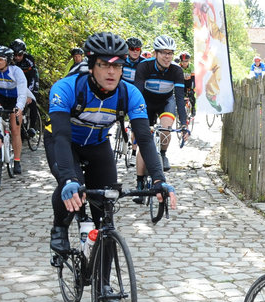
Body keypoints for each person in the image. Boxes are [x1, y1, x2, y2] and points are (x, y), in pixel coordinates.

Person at [46, 32, 177, 256]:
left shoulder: (130, 93)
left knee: (105, 219)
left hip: (98, 144)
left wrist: (159, 179)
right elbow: (61, 137)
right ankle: (59, 227)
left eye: (117, 67)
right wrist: (68, 178)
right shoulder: (66, 88)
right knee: (70, 184)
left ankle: (104, 284)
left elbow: (144, 139)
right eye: (104, 65)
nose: (111, 72)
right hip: (64, 143)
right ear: (91, 66)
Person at [133, 34, 190, 177]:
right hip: (146, 102)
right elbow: (137, 95)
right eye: (164, 53)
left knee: (165, 130)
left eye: (170, 53)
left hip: (166, 102)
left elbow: (178, 99)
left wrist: (183, 124)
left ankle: (163, 154)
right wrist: (135, 122)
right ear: (155, 53)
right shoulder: (144, 66)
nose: (167, 57)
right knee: (144, 144)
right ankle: (140, 183)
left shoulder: (176, 70)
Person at [0, 45, 34, 174]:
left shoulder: (16, 72)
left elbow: (22, 94)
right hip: (0, 96)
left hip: (15, 97)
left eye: (0, 58)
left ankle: (17, 160)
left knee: (15, 128)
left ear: (8, 60)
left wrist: (19, 108)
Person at [10, 39, 40, 136]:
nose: (17, 57)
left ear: (24, 53)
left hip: (30, 80)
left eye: (20, 55)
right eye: (15, 55)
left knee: (32, 102)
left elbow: (32, 77)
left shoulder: (28, 60)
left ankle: (32, 127)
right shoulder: (9, 60)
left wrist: (29, 95)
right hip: (17, 82)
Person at [178, 52, 195, 116]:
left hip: (190, 81)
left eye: (186, 61)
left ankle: (193, 108)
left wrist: (192, 88)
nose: (184, 63)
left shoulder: (191, 66)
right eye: (182, 61)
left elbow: (193, 78)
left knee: (191, 95)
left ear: (189, 61)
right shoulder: (179, 67)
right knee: (182, 95)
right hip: (183, 82)